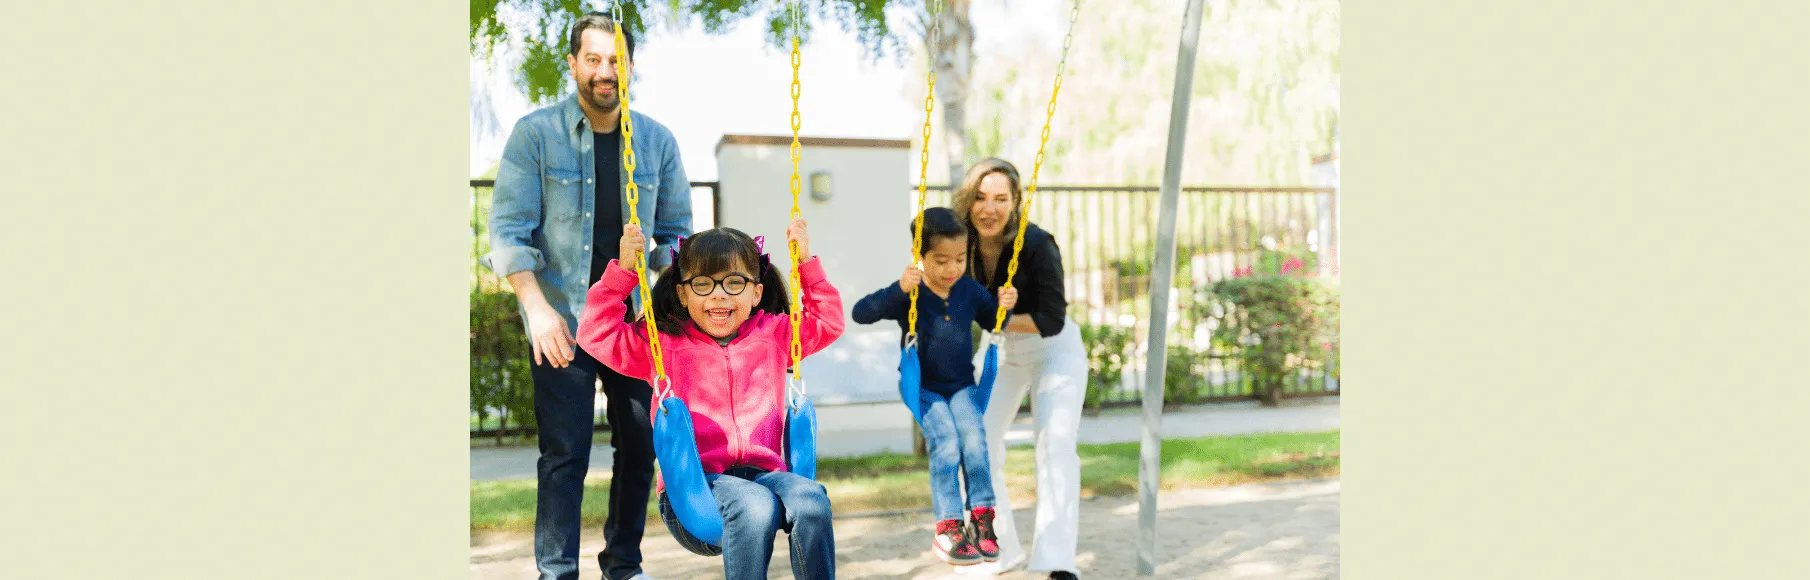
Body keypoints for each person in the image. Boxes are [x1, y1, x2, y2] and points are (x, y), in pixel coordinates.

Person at [481, 12, 692, 580]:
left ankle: (623, 564)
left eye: (615, 61)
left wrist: (661, 286)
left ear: (629, 68)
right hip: (563, 321)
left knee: (641, 445)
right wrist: (536, 309)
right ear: (573, 64)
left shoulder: (657, 142)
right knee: (564, 455)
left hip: (632, 321)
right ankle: (557, 571)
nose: (605, 72)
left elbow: (675, 234)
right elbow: (508, 232)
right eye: (593, 60)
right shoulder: (536, 135)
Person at [578, 221, 843, 580]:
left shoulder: (777, 335)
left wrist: (806, 263)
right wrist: (623, 272)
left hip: (765, 475)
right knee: (754, 505)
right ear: (684, 294)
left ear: (756, 292)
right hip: (695, 485)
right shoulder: (662, 344)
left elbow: (828, 321)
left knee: (811, 498)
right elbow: (596, 333)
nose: (718, 295)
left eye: (734, 282)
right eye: (702, 284)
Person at [850, 207, 1019, 567]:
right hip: (924, 388)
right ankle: (949, 526)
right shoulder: (909, 293)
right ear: (920, 257)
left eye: (959, 259)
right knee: (946, 443)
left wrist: (1004, 306)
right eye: (941, 260)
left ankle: (982, 519)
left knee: (974, 441)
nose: (952, 269)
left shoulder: (968, 290)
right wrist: (899, 288)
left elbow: (993, 321)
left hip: (961, 387)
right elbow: (861, 312)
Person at [956, 158, 1087, 580]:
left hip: (1054, 349)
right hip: (1001, 350)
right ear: (968, 200)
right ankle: (997, 550)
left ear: (1015, 203)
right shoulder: (962, 245)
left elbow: (1051, 318)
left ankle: (1056, 561)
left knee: (1054, 444)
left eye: (1000, 199)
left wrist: (995, 316)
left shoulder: (1036, 244)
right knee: (973, 442)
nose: (989, 208)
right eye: (980, 197)